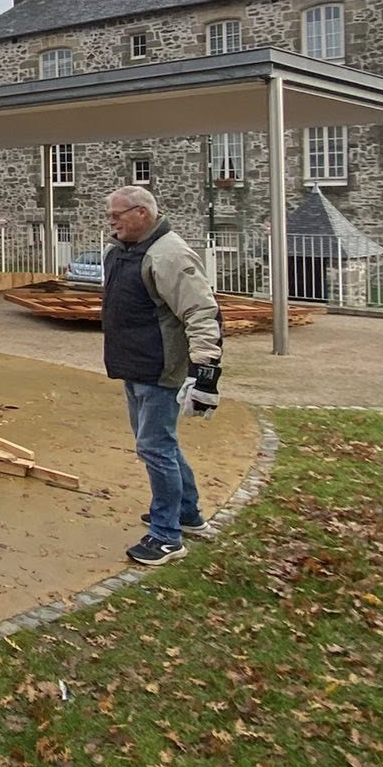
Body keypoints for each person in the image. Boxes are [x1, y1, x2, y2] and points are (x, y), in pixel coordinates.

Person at [102, 186, 223, 567]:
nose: (112, 220)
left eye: (118, 214)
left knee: (155, 448)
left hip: (159, 369)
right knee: (159, 445)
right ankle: (187, 514)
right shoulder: (119, 253)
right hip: (132, 365)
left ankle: (166, 535)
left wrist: (205, 374)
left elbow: (202, 313)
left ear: (142, 214)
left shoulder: (169, 254)